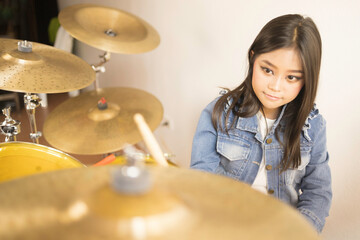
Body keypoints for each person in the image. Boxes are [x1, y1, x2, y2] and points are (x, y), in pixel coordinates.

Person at [190, 14, 332, 233]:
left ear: (307, 79)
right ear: (252, 58)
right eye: (267, 70)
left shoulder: (313, 126)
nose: (275, 86)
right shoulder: (218, 113)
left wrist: (297, 234)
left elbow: (318, 192)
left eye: (291, 77)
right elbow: (201, 183)